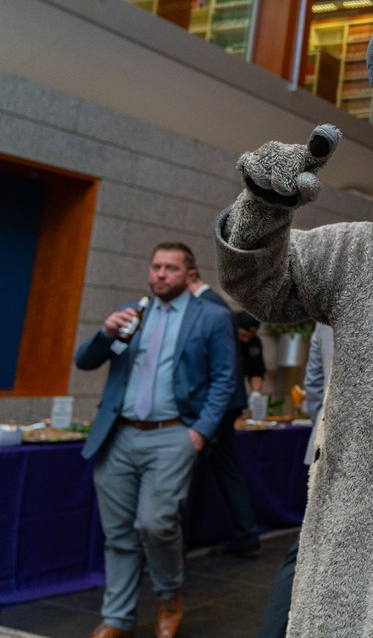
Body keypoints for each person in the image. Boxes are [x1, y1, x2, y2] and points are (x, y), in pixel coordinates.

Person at [74, 242, 236, 638]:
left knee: (155, 523)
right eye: (156, 267)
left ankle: (168, 596)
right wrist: (104, 332)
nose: (161, 274)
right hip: (119, 436)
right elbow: (86, 361)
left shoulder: (212, 317)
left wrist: (198, 433)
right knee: (118, 534)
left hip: (172, 435)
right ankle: (117, 618)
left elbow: (225, 380)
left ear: (189, 274)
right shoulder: (133, 313)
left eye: (171, 268)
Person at [258, 323, 332, 638]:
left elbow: (313, 386)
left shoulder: (327, 312)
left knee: (306, 549)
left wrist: (324, 434)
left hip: (325, 449)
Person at [188, 275, 261, 558]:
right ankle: (245, 533)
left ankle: (178, 543)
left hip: (215, 404)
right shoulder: (218, 307)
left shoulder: (208, 306)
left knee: (189, 470)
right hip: (229, 402)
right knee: (227, 468)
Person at [235, 311, 267, 393]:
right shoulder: (223, 339)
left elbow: (256, 372)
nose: (246, 340)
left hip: (238, 390)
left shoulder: (254, 342)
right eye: (243, 335)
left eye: (249, 336)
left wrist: (256, 393)